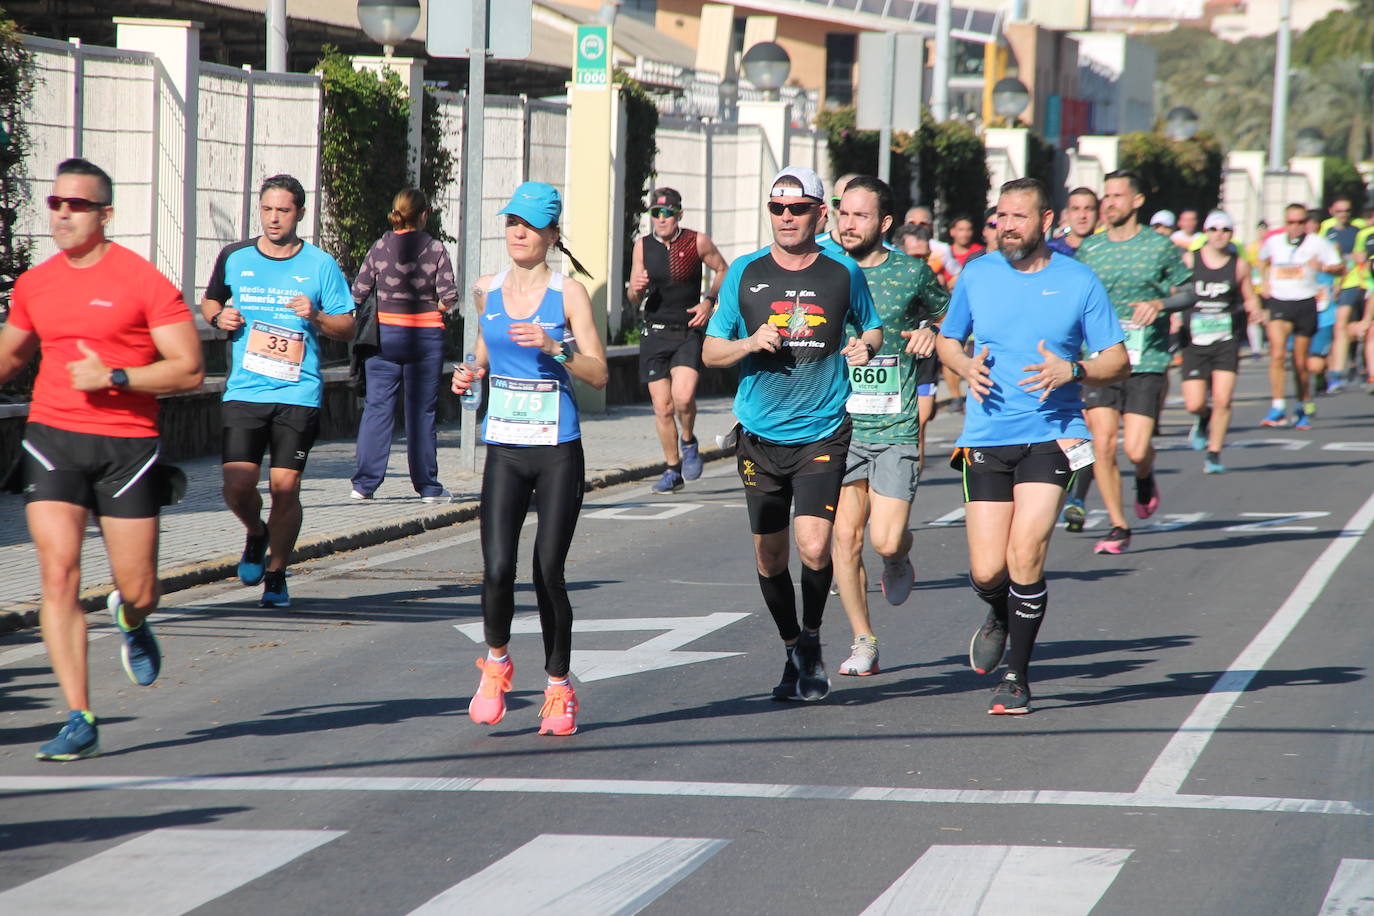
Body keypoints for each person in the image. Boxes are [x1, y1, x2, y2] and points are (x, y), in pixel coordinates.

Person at [0, 158, 204, 759]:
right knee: (57, 573)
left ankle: (133, 619)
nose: (63, 213)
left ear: (105, 214)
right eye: (55, 203)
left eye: (78, 205)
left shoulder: (142, 281)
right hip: (53, 438)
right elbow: (10, 356)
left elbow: (189, 367)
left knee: (139, 587)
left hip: (127, 447)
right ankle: (80, 715)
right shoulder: (36, 284)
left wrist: (114, 375)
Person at [937, 177, 1128, 714]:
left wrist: (1075, 369)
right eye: (1000, 216)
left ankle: (1017, 678)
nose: (1006, 226)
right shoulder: (977, 274)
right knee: (986, 570)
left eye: (1018, 217)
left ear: (1046, 222)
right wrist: (963, 364)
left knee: (1026, 553)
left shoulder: (1079, 280)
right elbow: (949, 339)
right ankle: (998, 611)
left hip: (1054, 432)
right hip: (986, 436)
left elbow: (1118, 360)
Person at [703, 165, 882, 702]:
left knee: (813, 543)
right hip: (759, 431)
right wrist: (748, 343)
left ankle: (812, 634)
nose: (786, 217)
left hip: (823, 430)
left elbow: (870, 323)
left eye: (798, 208)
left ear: (819, 213)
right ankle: (793, 648)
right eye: (777, 208)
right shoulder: (744, 272)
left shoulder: (843, 273)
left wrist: (866, 345)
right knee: (769, 557)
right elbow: (712, 351)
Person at [452, 181, 607, 737]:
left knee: (547, 572)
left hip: (558, 450)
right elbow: (484, 354)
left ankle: (559, 688)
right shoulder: (485, 288)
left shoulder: (569, 295)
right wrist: (469, 374)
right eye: (512, 221)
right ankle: (496, 664)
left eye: (530, 224)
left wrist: (555, 346)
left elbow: (599, 371)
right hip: (506, 449)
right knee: (496, 569)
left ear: (551, 234)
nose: (518, 232)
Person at [202, 174, 355, 608]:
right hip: (245, 389)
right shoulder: (235, 256)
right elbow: (210, 301)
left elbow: (348, 326)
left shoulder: (320, 265)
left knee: (286, 488)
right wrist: (219, 320)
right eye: (267, 209)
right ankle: (256, 532)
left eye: (283, 210)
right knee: (237, 485)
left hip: (297, 392)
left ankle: (276, 573)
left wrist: (318, 316)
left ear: (300, 214)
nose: (273, 218)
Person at [828, 176, 948, 677]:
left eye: (859, 215)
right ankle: (864, 640)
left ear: (884, 223)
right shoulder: (821, 269)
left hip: (895, 426)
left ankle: (898, 561)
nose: (847, 223)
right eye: (842, 212)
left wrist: (929, 330)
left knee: (885, 539)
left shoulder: (912, 273)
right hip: (835, 424)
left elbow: (951, 316)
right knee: (844, 539)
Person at [1076, 171, 1193, 555]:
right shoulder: (1090, 250)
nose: (1109, 203)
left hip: (1146, 359)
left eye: (1117, 196)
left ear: (1137, 201)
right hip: (1102, 360)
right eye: (1105, 195)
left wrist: (1160, 303)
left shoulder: (1160, 247)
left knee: (1138, 449)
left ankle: (1144, 476)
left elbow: (1189, 291)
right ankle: (1118, 525)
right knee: (1103, 445)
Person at [349, 188, 459, 502]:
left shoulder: (380, 246)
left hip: (384, 338)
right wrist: (432, 308)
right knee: (421, 412)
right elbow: (448, 297)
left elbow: (358, 292)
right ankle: (428, 488)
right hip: (424, 340)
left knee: (377, 409)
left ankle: (364, 485)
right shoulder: (435, 248)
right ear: (424, 214)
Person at [627, 187, 728, 493]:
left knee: (683, 397)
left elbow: (723, 269)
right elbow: (633, 298)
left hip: (687, 330)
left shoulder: (696, 241)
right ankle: (673, 470)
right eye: (655, 213)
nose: (660, 219)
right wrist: (636, 288)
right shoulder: (642, 246)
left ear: (678, 215)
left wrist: (709, 301)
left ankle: (688, 440)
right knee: (662, 407)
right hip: (654, 332)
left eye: (667, 213)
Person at [1180, 210, 1260, 474]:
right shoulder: (1190, 261)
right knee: (1194, 402)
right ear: (1206, 233)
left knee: (1224, 399)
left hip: (1226, 339)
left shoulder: (1238, 265)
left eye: (1225, 230)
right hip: (1194, 341)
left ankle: (1214, 453)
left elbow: (1249, 295)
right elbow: (1175, 292)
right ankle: (1203, 418)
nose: (1219, 235)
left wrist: (1255, 308)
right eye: (1214, 230)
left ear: (1231, 234)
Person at [1257, 203, 1342, 428]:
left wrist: (1324, 268)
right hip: (1279, 302)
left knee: (1300, 362)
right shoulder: (1274, 241)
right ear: (1285, 223)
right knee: (1277, 354)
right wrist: (1263, 280)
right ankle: (1277, 406)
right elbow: (1262, 259)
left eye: (1300, 222)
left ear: (1307, 223)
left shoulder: (1318, 243)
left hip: (1305, 303)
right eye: (1291, 222)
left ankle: (1303, 404)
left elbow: (1340, 267)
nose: (1295, 227)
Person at [1322, 196, 1361, 392]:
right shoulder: (1326, 231)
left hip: (1353, 283)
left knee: (1345, 325)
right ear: (1332, 211)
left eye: (1346, 211)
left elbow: (1358, 259)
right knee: (1338, 327)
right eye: (1339, 211)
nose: (1343, 214)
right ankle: (1337, 370)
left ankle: (1346, 367)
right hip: (1331, 286)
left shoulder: (1357, 231)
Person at [1048, 188, 1100, 258]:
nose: (1082, 215)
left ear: (1098, 213)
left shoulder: (1105, 250)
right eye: (1075, 209)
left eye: (1088, 209)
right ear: (1067, 213)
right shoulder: (1051, 250)